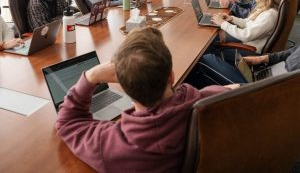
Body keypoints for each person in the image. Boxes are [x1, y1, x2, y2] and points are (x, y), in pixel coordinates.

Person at [56, 27, 236, 172]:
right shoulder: (212, 103)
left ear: (124, 86)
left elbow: (66, 122)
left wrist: (90, 76)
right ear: (171, 77)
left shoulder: (112, 146)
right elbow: (233, 90)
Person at [207, 0, 280, 65]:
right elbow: (248, 22)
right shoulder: (264, 7)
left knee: (209, 54)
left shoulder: (269, 15)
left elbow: (245, 35)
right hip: (248, 43)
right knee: (215, 38)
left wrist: (223, 23)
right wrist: (232, 18)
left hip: (251, 51)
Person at [185, 45, 300, 88]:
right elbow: (292, 52)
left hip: (269, 88)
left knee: (206, 59)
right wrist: (263, 59)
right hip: (272, 73)